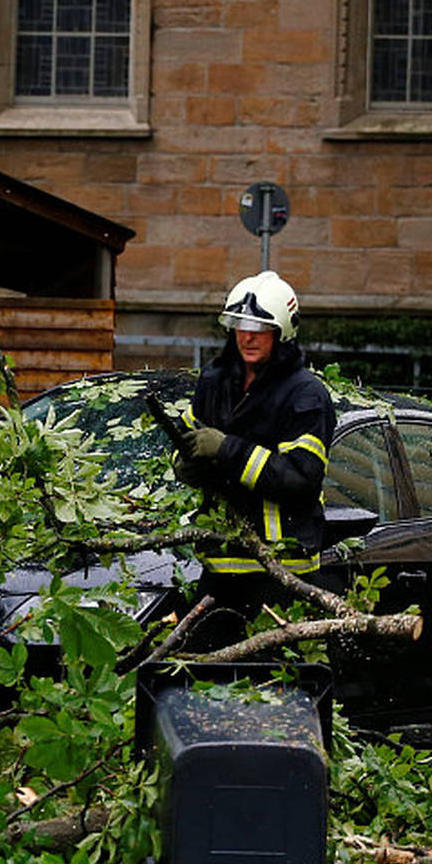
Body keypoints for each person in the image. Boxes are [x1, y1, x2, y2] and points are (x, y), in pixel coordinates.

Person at [174, 271, 335, 633]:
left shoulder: (305, 395)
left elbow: (301, 478)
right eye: (239, 325)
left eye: (259, 327)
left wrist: (228, 448)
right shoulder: (213, 382)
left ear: (281, 333)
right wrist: (185, 465)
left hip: (281, 574)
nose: (247, 336)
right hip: (217, 569)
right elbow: (186, 440)